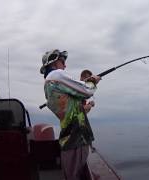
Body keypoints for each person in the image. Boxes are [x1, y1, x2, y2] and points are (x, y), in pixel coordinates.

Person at [40, 49, 101, 180]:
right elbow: (87, 90)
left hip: (69, 135)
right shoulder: (56, 75)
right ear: (54, 63)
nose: (65, 65)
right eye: (62, 62)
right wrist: (93, 81)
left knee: (74, 171)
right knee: (75, 173)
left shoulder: (47, 85)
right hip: (76, 135)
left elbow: (72, 107)